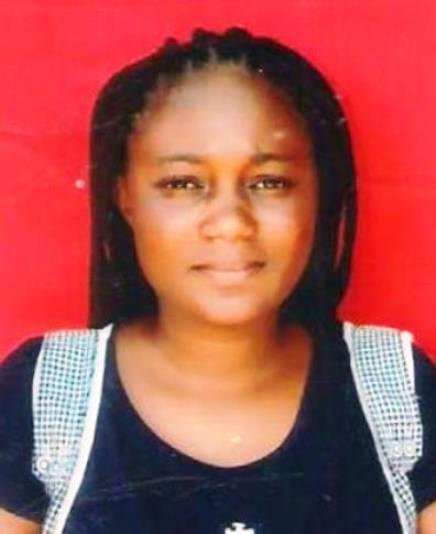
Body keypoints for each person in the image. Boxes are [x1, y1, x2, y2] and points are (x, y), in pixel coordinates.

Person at [0, 27, 435, 534]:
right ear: (126, 197)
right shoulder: (47, 395)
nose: (230, 223)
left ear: (319, 194)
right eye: (183, 183)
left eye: (269, 182)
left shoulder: (395, 390)